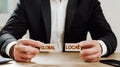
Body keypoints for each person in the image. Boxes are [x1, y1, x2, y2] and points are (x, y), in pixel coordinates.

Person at [0, 0, 117, 62]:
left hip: (77, 64)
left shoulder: (89, 2)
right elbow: (6, 34)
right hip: (38, 64)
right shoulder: (28, 2)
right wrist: (13, 49)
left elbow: (108, 36)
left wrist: (100, 47)